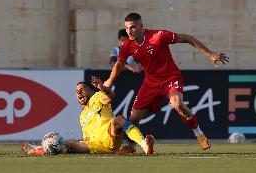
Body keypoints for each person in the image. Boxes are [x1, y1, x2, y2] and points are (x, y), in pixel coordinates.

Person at [104, 13, 229, 151]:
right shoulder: (127, 45)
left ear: (141, 26)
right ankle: (132, 146)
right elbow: (119, 64)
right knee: (133, 120)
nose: (129, 31)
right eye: (127, 28)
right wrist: (109, 81)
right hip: (150, 82)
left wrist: (210, 54)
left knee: (178, 104)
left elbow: (188, 38)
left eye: (133, 27)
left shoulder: (158, 36)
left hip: (170, 77)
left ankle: (199, 134)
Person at [21, 76, 154, 155]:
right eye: (76, 92)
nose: (79, 93)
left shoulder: (97, 97)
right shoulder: (82, 115)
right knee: (62, 143)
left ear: (90, 90)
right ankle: (36, 149)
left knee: (119, 119)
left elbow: (111, 96)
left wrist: (102, 87)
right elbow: (87, 136)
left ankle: (144, 145)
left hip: (109, 136)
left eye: (82, 90)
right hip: (93, 146)